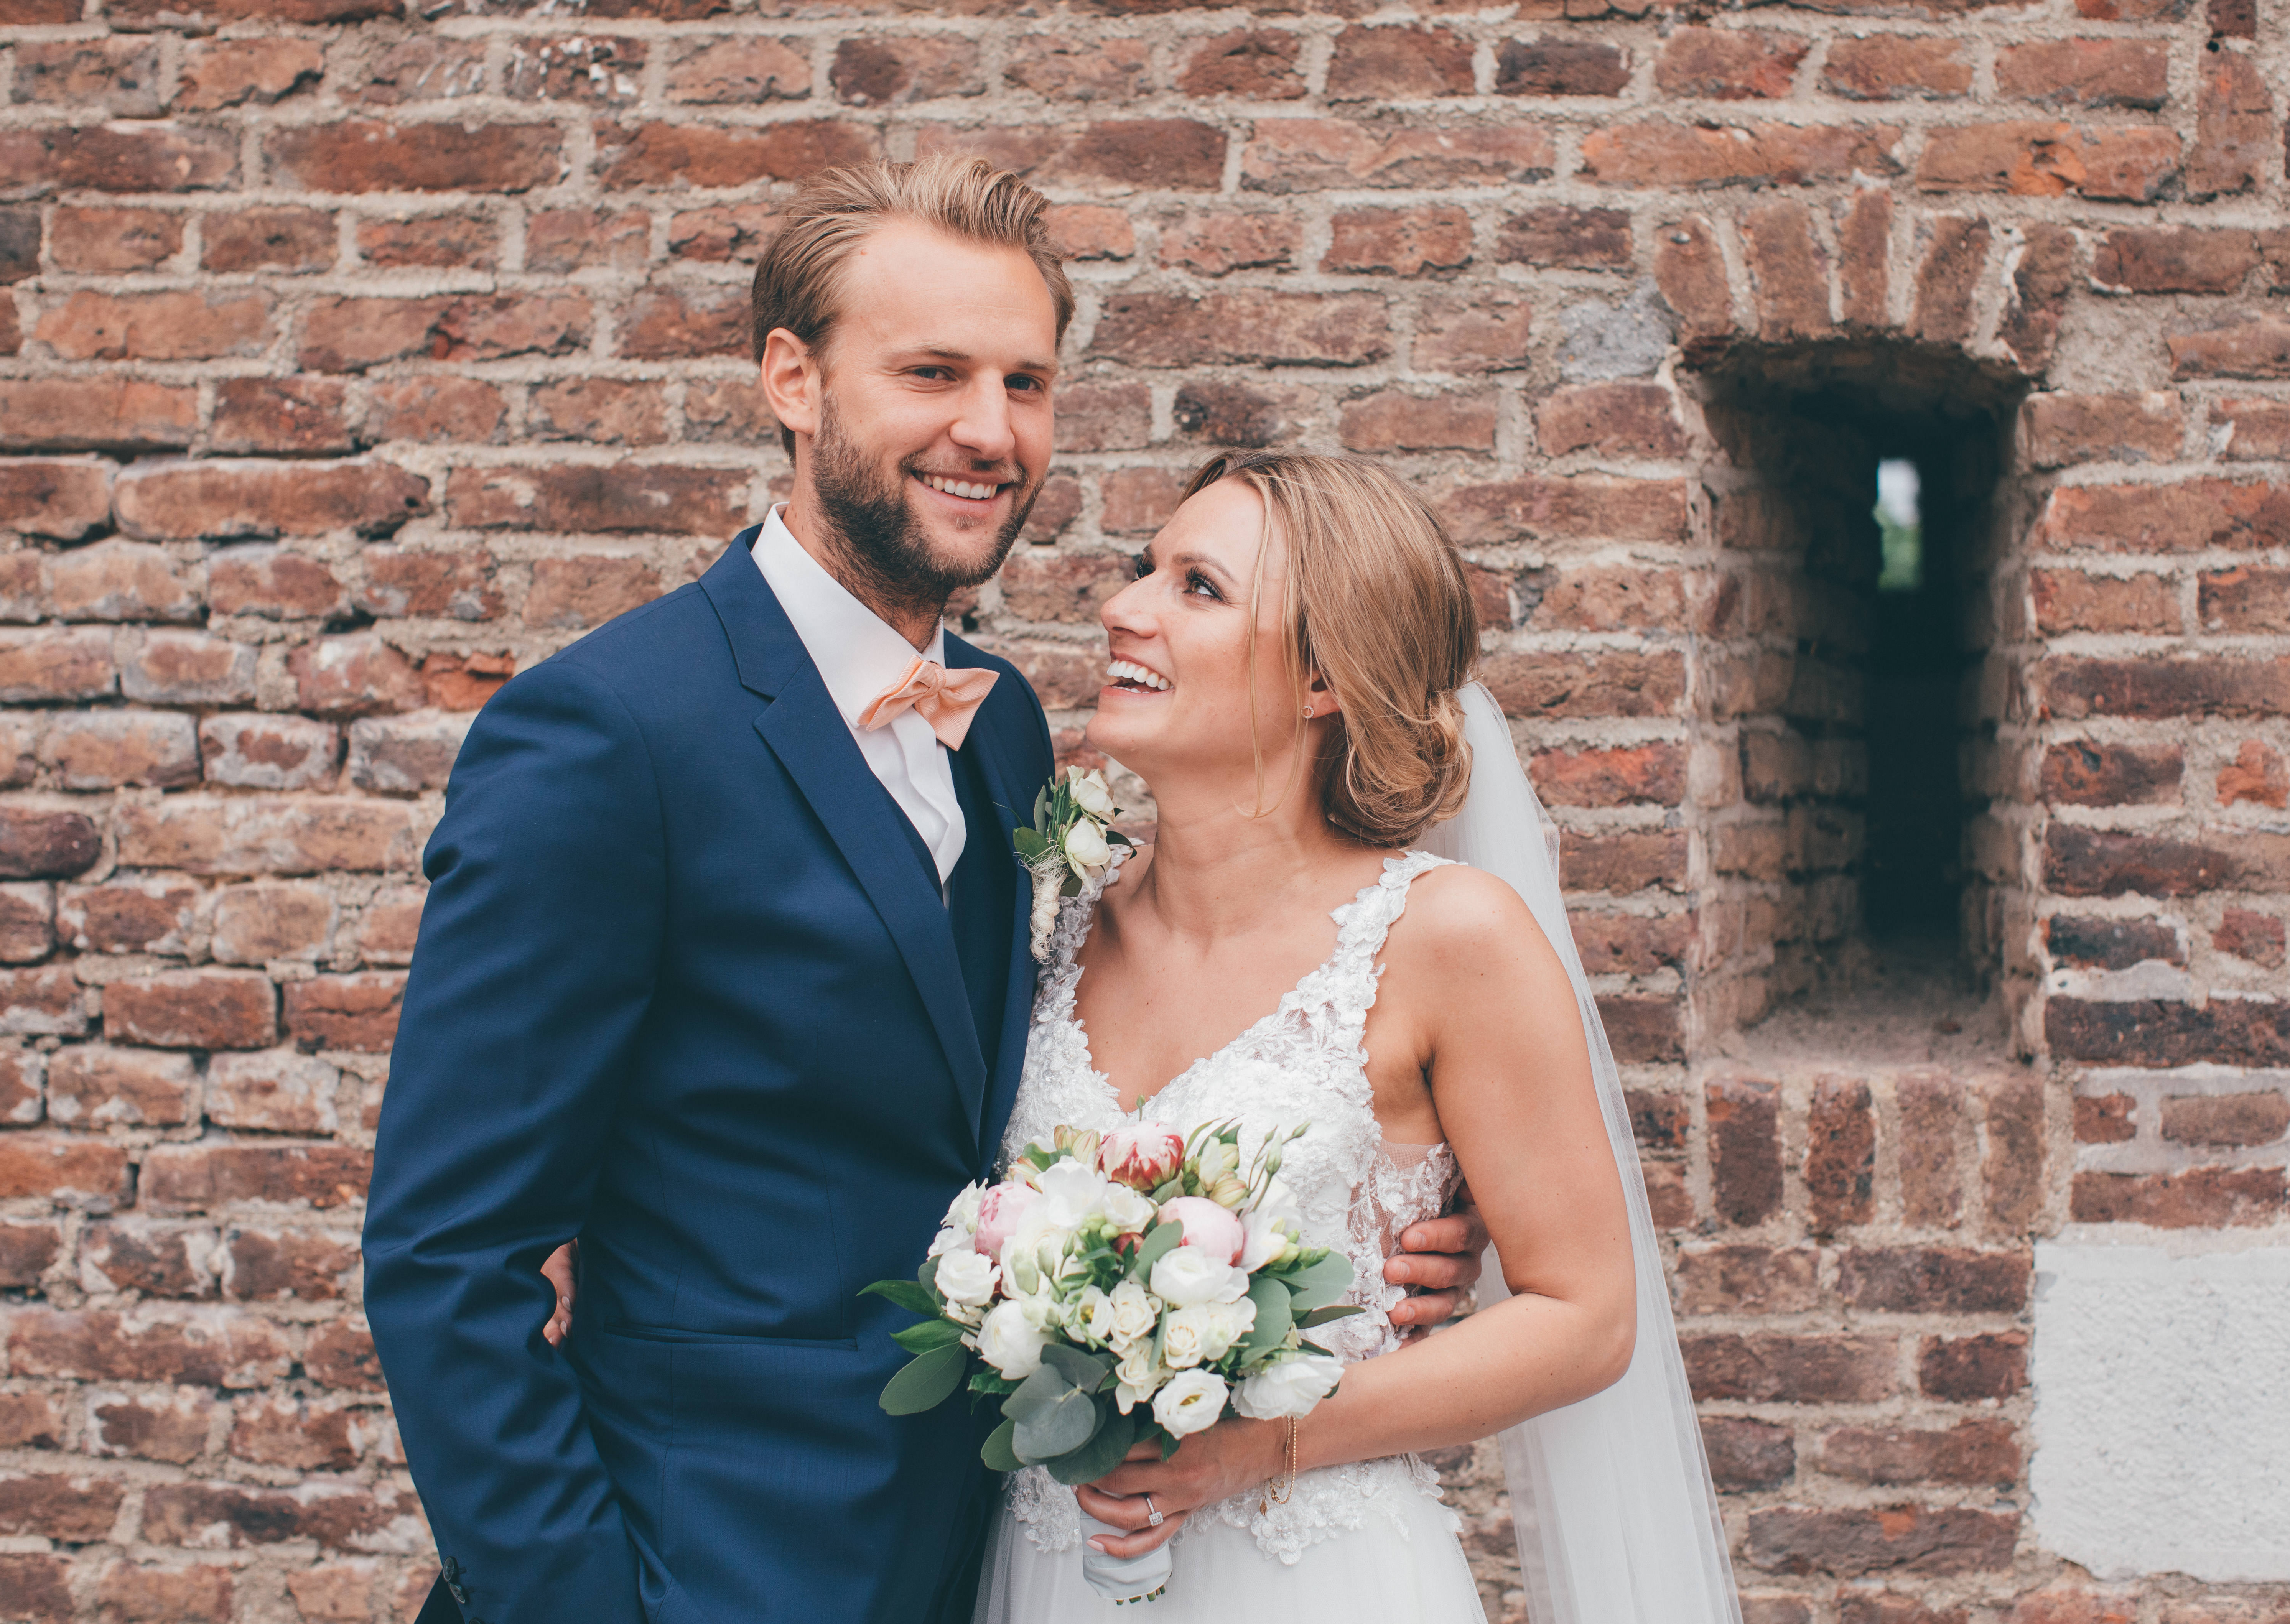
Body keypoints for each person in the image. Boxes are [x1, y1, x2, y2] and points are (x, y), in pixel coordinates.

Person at [359, 156, 1486, 1624]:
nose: (988, 430)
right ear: (794, 380)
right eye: (933, 373)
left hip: (992, 1557)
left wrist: (1329, 1244)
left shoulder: (1007, 724)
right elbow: (449, 1257)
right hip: (703, 1564)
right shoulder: (608, 735)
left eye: (1027, 382)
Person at [972, 452, 1743, 1622]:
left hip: (1306, 1577)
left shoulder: (1446, 935)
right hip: (1049, 1565)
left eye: (1198, 587)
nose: (1123, 607)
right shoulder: (1055, 916)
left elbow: (1587, 1317)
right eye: (1144, 570)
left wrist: (1258, 1445)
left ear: (1324, 675)